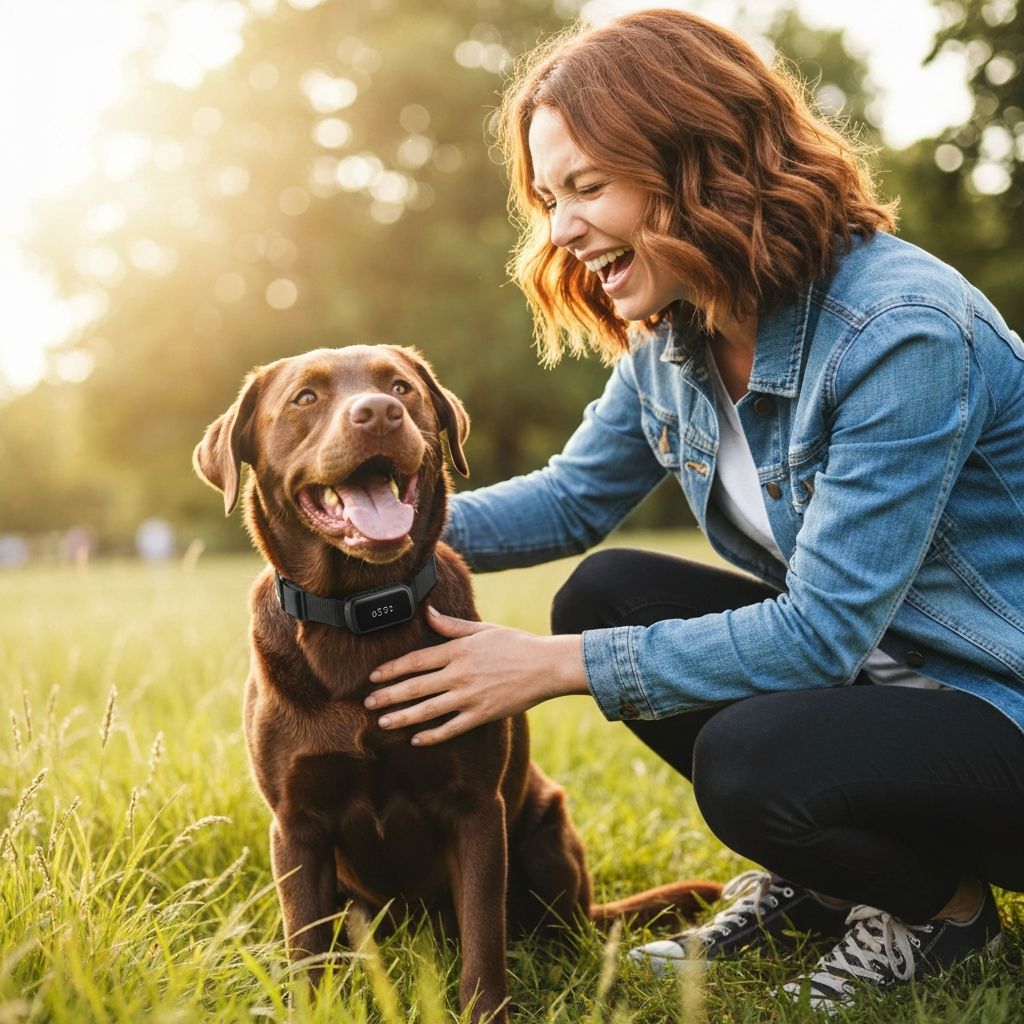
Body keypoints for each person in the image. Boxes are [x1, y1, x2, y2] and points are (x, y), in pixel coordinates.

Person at [362, 8, 1024, 1010]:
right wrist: (357, 529)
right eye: (549, 198)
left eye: (590, 187)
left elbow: (819, 632)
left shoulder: (900, 331)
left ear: (704, 162)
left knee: (748, 761)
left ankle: (943, 913)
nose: (563, 229)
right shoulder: (679, 336)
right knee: (607, 590)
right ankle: (829, 880)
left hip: (1000, 710)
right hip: (889, 697)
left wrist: (550, 669)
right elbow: (573, 501)